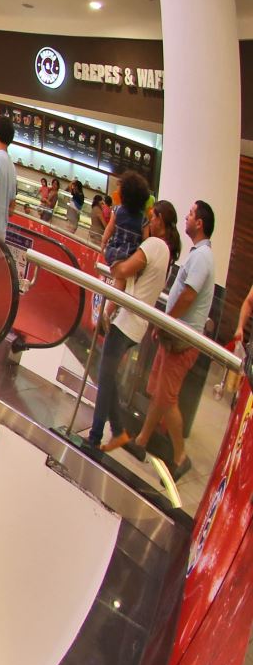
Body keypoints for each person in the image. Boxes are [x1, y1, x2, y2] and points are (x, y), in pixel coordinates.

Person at [126, 201, 215, 479]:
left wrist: (168, 322)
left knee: (167, 396)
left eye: (190, 214)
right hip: (174, 333)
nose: (186, 218)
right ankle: (142, 441)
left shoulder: (202, 257)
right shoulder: (197, 254)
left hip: (182, 338)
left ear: (199, 223)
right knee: (160, 392)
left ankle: (179, 455)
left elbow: (188, 295)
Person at [90, 200, 174, 452]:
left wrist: (113, 253)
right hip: (135, 324)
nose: (148, 220)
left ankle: (94, 437)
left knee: (105, 376)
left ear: (159, 220)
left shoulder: (153, 246)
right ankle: (118, 432)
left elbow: (124, 270)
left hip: (128, 322)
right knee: (109, 375)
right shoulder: (165, 250)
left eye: (152, 217)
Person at [103, 171, 148, 266]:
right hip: (131, 258)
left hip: (113, 253)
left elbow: (109, 229)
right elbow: (145, 243)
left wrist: (103, 242)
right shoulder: (144, 220)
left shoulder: (117, 210)